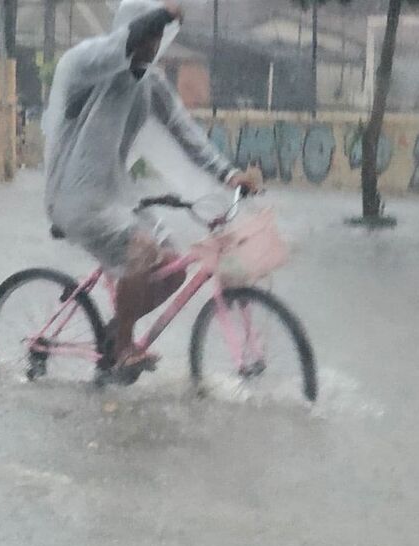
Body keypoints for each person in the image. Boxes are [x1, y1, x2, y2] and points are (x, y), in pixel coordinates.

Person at [42, 0, 262, 374]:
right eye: (147, 35)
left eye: (157, 37)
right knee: (141, 252)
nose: (153, 44)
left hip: (116, 196)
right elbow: (119, 45)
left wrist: (229, 174)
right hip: (75, 199)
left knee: (173, 268)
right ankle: (125, 346)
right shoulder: (87, 66)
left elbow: (184, 130)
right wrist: (162, 14)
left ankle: (114, 334)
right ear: (130, 32)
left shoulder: (150, 82)